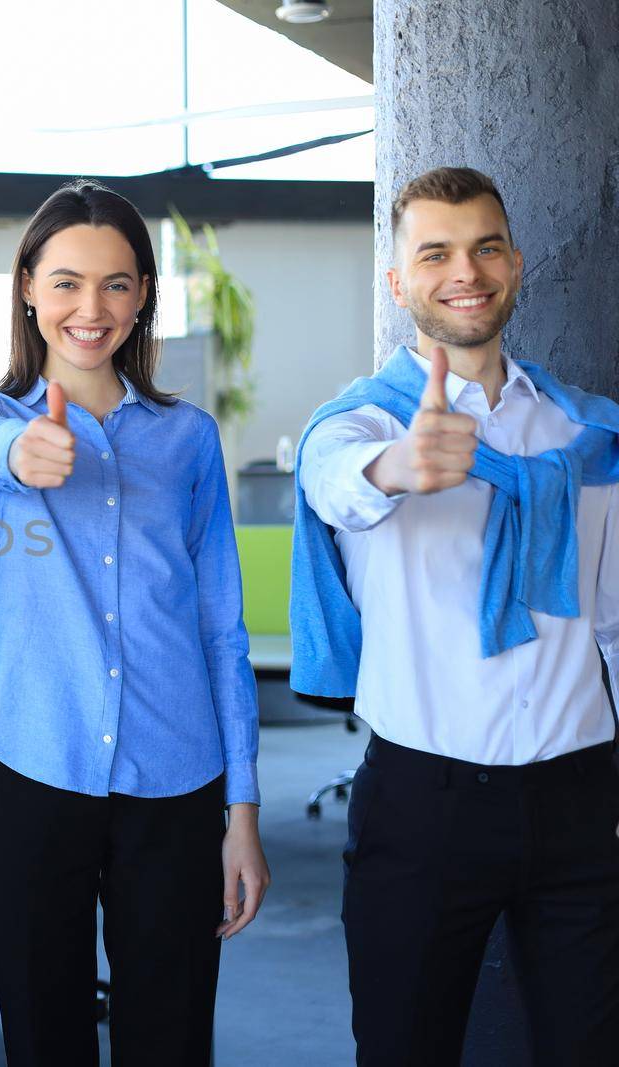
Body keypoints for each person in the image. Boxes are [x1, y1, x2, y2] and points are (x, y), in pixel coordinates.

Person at [293, 166, 619, 1065]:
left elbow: (615, 623)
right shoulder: (354, 426)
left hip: (581, 798)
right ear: (398, 283)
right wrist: (403, 465)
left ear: (514, 262)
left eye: (483, 247)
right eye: (434, 253)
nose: (463, 270)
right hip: (424, 805)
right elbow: (339, 486)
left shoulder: (584, 435)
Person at [0, 179, 269, 1066]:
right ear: (28, 289)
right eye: (68, 282)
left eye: (118, 283)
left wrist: (242, 809)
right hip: (33, 765)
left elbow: (220, 628)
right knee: (45, 1037)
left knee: (169, 1038)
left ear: (144, 295)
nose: (93, 307)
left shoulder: (189, 438)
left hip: (178, 774)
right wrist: (23, 451)